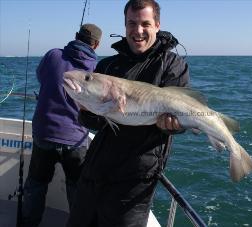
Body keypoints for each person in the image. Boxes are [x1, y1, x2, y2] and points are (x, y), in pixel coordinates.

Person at [67, 0, 189, 226]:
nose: (138, 30)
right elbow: (95, 122)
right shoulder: (107, 66)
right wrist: (85, 108)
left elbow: (178, 119)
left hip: (134, 182)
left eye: (145, 23)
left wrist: (173, 125)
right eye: (132, 23)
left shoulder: (171, 65)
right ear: (125, 25)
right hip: (94, 172)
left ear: (157, 25)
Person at [22, 23, 102, 227]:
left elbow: (42, 77)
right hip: (76, 141)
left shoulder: (53, 55)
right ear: (97, 45)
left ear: (76, 36)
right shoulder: (96, 70)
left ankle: (29, 223)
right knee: (77, 190)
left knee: (36, 186)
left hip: (45, 134)